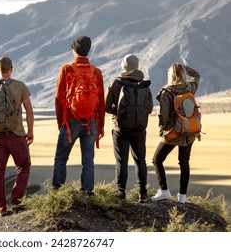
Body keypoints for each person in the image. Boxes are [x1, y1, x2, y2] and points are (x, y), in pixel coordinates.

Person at [0, 56, 34, 216]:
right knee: (23, 167)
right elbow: (29, 111)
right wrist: (30, 131)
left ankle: (1, 208)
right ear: (12, 68)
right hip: (16, 134)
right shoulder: (20, 86)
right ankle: (16, 202)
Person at [52, 36, 105, 195]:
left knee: (61, 158)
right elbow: (101, 101)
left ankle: (57, 193)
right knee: (88, 161)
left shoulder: (66, 69)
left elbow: (59, 97)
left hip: (70, 121)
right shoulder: (96, 72)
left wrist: (61, 122)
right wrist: (100, 126)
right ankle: (87, 193)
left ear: (74, 50)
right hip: (91, 122)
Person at [105, 54, 153, 202]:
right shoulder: (144, 85)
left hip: (121, 129)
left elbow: (106, 106)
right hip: (139, 129)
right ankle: (143, 193)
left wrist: (118, 113)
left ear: (123, 66)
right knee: (140, 161)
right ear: (137, 66)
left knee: (121, 162)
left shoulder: (116, 83)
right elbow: (150, 108)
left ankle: (120, 193)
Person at [151, 63, 200, 203]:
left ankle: (164, 190)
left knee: (157, 159)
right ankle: (182, 197)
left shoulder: (167, 92)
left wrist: (164, 130)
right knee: (184, 162)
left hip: (173, 133)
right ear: (183, 74)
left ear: (170, 75)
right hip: (189, 131)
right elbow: (196, 75)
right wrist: (184, 67)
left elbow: (163, 116)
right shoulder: (189, 88)